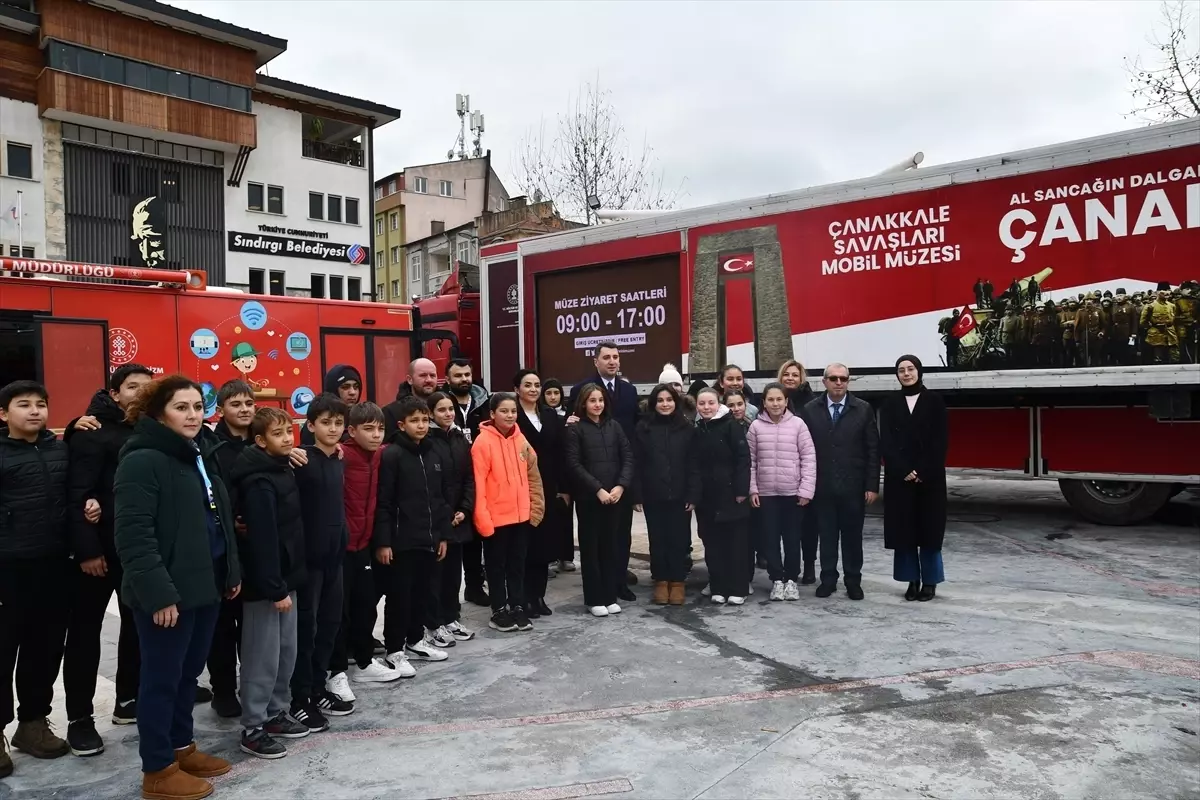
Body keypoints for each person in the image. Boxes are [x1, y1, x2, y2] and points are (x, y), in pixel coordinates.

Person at [113, 375, 241, 799]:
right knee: (161, 679)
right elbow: (134, 535)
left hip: (204, 585)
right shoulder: (142, 459)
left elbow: (216, 515)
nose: (192, 415)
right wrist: (159, 593)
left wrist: (231, 572)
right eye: (181, 407)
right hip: (168, 594)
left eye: (196, 407)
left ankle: (181, 746)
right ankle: (158, 769)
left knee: (187, 675)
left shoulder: (196, 453)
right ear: (157, 414)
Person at [62, 364, 153, 756]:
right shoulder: (92, 432)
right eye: (132, 387)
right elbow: (77, 494)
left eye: (147, 388)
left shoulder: (151, 427)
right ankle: (80, 719)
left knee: (137, 624)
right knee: (85, 633)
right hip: (98, 551)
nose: (139, 393)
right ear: (114, 393)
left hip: (136, 549)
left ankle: (127, 699)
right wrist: (88, 550)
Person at [0, 381, 73, 774]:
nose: (34, 411)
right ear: (3, 414)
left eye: (41, 404)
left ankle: (32, 724)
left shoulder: (61, 449)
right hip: (7, 568)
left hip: (54, 565)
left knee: (44, 650)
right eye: (23, 405)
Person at [230, 407, 309, 758]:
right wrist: (275, 588)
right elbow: (262, 540)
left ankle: (277, 711)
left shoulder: (282, 469)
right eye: (278, 434)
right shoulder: (258, 480)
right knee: (262, 654)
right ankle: (253, 725)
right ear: (260, 441)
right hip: (266, 586)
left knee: (285, 651)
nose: (287, 439)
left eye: (289, 432)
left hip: (285, 578)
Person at [332, 403, 407, 688]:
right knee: (339, 612)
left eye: (380, 429)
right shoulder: (341, 456)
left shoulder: (381, 455)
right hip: (339, 546)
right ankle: (335, 671)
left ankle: (363, 662)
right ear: (351, 431)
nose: (376, 435)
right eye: (368, 429)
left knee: (366, 605)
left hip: (364, 544)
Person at [374, 397, 452, 669]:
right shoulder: (392, 455)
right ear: (401, 424)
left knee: (422, 592)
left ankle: (416, 640)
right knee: (400, 597)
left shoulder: (433, 453)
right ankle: (394, 650)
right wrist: (384, 542)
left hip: (429, 539)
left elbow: (439, 498)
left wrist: (442, 535)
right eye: (414, 421)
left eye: (423, 420)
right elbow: (384, 502)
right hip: (401, 542)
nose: (421, 426)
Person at [290, 394, 353, 729]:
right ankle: (298, 698)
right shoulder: (301, 461)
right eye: (325, 422)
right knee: (306, 631)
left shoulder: (336, 459)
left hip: (334, 559)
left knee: (329, 627)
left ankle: (317, 688)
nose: (332, 428)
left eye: (338, 423)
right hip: (309, 562)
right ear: (310, 425)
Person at [800, 364, 880, 601]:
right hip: (822, 487)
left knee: (852, 538)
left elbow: (872, 449)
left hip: (853, 487)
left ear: (848, 381)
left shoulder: (863, 409)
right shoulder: (810, 409)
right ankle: (828, 580)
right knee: (826, 536)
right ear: (824, 381)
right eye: (833, 378)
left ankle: (853, 581)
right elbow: (804, 450)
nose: (838, 382)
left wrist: (872, 485)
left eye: (843, 378)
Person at [205, 379, 256, 719]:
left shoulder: (262, 440)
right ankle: (222, 689)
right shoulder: (210, 446)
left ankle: (250, 684)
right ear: (222, 410)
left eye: (249, 403)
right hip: (225, 546)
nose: (245, 409)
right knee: (223, 624)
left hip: (257, 546)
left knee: (252, 623)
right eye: (236, 404)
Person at [570, 343, 638, 600]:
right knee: (595, 540)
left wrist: (627, 482)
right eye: (606, 357)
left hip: (621, 479)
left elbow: (632, 436)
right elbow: (572, 440)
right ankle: (597, 591)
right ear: (595, 360)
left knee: (621, 536)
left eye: (616, 357)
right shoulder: (580, 390)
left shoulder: (630, 391)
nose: (612, 361)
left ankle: (619, 582)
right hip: (592, 485)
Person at [473, 393, 546, 632]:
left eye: (513, 411)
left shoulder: (521, 440)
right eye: (504, 411)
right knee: (496, 567)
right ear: (492, 414)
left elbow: (533, 475)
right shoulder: (482, 443)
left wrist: (535, 508)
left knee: (517, 564)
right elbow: (479, 485)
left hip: (520, 518)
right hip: (496, 520)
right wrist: (483, 520)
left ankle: (516, 605)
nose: (509, 415)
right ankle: (498, 610)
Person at [880, 356, 948, 602]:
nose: (906, 373)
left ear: (919, 371)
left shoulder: (934, 401)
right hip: (900, 479)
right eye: (901, 370)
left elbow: (940, 441)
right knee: (904, 532)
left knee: (929, 530)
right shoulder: (890, 404)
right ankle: (911, 580)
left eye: (910, 369)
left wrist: (921, 471)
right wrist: (903, 469)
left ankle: (930, 582)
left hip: (929, 479)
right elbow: (886, 441)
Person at [748, 382, 817, 602]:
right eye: (771, 400)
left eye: (779, 399)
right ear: (764, 403)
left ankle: (791, 581)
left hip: (792, 494)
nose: (775, 403)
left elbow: (808, 458)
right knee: (770, 540)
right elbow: (750, 462)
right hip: (767, 495)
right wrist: (753, 489)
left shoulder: (798, 425)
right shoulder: (755, 427)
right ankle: (776, 579)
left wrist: (806, 489)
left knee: (792, 539)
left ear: (786, 402)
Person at [633, 384, 699, 606]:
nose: (665, 404)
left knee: (679, 541)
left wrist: (692, 494)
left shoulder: (687, 428)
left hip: (680, 496)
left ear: (675, 402)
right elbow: (637, 463)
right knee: (658, 540)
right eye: (660, 400)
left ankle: (678, 582)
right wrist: (637, 495)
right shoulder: (643, 428)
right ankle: (661, 581)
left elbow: (693, 464)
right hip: (653, 495)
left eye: (669, 400)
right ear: (654, 403)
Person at [513, 371, 566, 618]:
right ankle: (523, 598)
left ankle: (539, 596)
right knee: (526, 546)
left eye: (537, 385)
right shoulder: (513, 417)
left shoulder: (550, 416)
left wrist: (563, 489)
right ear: (517, 389)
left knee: (544, 546)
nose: (533, 389)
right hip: (521, 488)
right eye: (528, 385)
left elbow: (560, 453)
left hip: (548, 488)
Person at [425, 392, 477, 642]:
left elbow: (469, 477)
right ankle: (434, 624)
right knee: (435, 575)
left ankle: (451, 617)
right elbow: (431, 485)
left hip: (459, 517)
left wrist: (464, 509)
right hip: (438, 520)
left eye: (450, 409)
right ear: (431, 413)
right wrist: (447, 514)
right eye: (441, 410)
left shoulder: (459, 438)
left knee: (455, 574)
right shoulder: (427, 440)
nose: (447, 414)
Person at [692, 388, 751, 605]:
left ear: (718, 404)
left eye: (710, 403)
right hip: (707, 498)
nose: (706, 407)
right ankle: (718, 586)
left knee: (735, 544)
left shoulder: (731, 426)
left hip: (731, 495)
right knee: (713, 544)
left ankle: (738, 588)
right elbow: (694, 465)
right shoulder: (698, 429)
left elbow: (743, 459)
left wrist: (741, 490)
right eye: (702, 404)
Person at [540, 378, 577, 572]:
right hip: (548, 471)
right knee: (549, 517)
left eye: (556, 393)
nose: (553, 397)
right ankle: (551, 556)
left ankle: (566, 556)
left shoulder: (570, 414)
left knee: (565, 515)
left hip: (566, 473)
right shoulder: (540, 415)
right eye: (549, 393)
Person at [300, 365, 361, 445]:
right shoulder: (314, 424)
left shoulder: (362, 418)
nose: (352, 392)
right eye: (345, 387)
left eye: (356, 387)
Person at [383, 358, 440, 438]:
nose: (428, 380)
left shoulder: (447, 407)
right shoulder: (391, 412)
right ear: (410, 380)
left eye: (432, 375)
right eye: (423, 375)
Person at [443, 358, 489, 440]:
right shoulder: (440, 404)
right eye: (458, 376)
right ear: (448, 380)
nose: (464, 379)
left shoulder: (485, 403)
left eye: (467, 375)